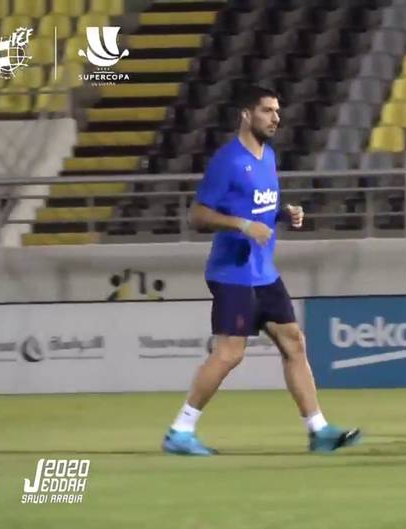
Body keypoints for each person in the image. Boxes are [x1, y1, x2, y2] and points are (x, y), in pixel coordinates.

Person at [161, 86, 362, 455]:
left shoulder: (267, 157)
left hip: (263, 272)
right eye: (267, 110)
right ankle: (180, 431)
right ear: (246, 114)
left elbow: (259, 210)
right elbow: (199, 215)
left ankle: (319, 431)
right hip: (232, 273)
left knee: (294, 343)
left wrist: (283, 213)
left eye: (277, 111)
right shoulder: (228, 160)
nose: (276, 118)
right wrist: (241, 225)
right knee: (229, 354)